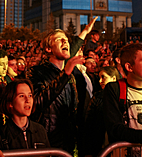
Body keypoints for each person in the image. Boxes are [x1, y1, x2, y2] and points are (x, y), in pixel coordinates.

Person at [27, 17, 97, 154]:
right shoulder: (36, 72)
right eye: (59, 39)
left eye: (66, 39)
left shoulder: (71, 74)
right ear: (48, 48)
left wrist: (85, 32)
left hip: (69, 139)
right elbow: (37, 102)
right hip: (48, 140)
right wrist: (65, 74)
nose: (65, 41)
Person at [0, 79, 50, 150]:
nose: (27, 100)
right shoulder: (1, 136)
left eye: (30, 95)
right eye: (21, 96)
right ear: (10, 102)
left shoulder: (40, 130)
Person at [83, 66, 121, 157]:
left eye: (103, 77)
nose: (100, 81)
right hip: (99, 142)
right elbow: (89, 123)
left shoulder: (122, 96)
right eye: (99, 77)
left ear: (114, 78)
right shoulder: (98, 97)